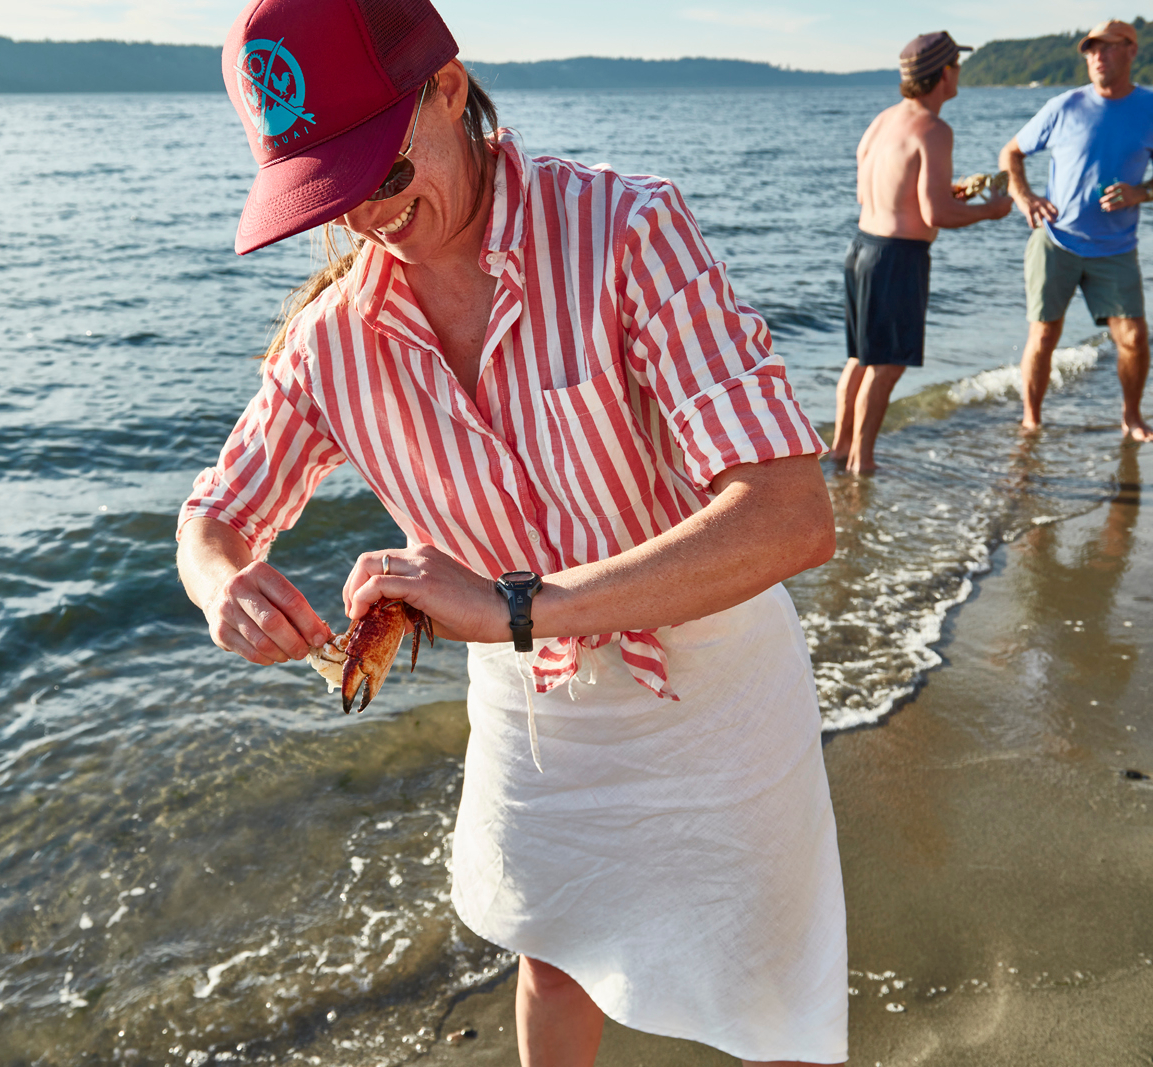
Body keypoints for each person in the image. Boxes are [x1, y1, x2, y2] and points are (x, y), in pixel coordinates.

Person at [176, 1, 847, 1063]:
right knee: (551, 944)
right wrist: (222, 582)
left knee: (760, 976)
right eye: (331, 196)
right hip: (535, 702)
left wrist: (518, 603)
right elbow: (216, 512)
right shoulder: (331, 342)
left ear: (448, 89)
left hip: (715, 675)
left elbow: (789, 515)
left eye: (384, 176)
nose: (367, 220)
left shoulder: (624, 230)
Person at [834, 31, 1013, 474]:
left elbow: (873, 192)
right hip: (897, 259)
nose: (959, 75)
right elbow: (936, 214)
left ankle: (839, 450)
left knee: (859, 358)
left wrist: (950, 196)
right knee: (887, 366)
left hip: (862, 248)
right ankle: (863, 463)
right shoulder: (934, 129)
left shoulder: (883, 120)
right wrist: (992, 210)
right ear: (943, 74)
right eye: (956, 67)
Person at [999, 18, 1153, 442]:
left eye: (1107, 47)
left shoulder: (1149, 108)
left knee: (1135, 338)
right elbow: (1011, 152)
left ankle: (1132, 417)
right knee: (1044, 335)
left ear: (1132, 50)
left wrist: (1141, 192)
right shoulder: (1064, 106)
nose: (1097, 56)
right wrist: (1024, 196)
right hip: (1055, 241)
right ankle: (1032, 419)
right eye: (1090, 49)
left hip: (1115, 247)